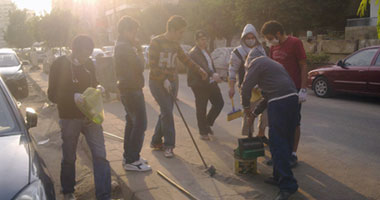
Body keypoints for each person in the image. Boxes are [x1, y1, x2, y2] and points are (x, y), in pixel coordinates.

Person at [47, 35, 111, 200]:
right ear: (74, 50)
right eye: (83, 54)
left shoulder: (89, 64)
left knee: (100, 155)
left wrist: (98, 88)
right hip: (69, 117)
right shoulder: (59, 65)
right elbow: (52, 95)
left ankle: (104, 195)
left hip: (90, 116)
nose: (85, 58)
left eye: (88, 54)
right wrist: (72, 97)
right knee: (69, 155)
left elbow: (93, 83)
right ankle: (68, 191)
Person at [241, 48, 299, 200]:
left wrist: (246, 107)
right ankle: (278, 176)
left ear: (249, 59)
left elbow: (245, 87)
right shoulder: (273, 65)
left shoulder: (255, 62)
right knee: (285, 140)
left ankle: (288, 185)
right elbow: (266, 97)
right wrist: (254, 113)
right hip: (293, 99)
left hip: (279, 102)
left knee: (277, 143)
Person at [148, 15, 208, 158]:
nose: (182, 35)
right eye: (180, 32)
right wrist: (163, 79)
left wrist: (199, 69)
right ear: (173, 30)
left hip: (173, 82)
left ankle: (156, 141)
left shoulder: (175, 44)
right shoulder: (156, 42)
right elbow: (152, 65)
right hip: (157, 82)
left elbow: (185, 59)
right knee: (168, 112)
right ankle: (169, 146)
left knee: (165, 111)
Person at [261, 20, 308, 167]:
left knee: (294, 123)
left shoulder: (295, 43)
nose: (269, 41)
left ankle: (292, 154)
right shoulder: (273, 48)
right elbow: (270, 68)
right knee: (277, 124)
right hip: (276, 93)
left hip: (293, 91)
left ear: (278, 33)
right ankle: (280, 155)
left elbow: (303, 65)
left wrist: (303, 88)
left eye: (269, 37)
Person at [114, 16, 151, 172]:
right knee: (140, 123)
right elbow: (140, 66)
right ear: (124, 31)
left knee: (131, 122)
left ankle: (128, 155)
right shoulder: (125, 47)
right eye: (133, 31)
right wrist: (139, 51)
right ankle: (132, 159)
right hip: (132, 89)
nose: (135, 34)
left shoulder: (121, 45)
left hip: (127, 88)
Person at [228, 24, 268, 142]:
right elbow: (232, 71)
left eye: (252, 37)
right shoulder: (237, 53)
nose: (250, 40)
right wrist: (231, 87)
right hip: (247, 88)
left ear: (256, 37)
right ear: (243, 38)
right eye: (247, 38)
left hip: (261, 88)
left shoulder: (261, 50)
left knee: (265, 111)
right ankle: (249, 135)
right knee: (248, 112)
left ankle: (261, 133)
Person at [187, 30, 224, 141]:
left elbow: (210, 65)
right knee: (201, 107)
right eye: (202, 39)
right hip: (199, 84)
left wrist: (215, 75)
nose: (204, 41)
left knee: (219, 103)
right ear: (196, 41)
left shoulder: (206, 51)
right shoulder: (194, 52)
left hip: (210, 82)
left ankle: (207, 123)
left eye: (205, 39)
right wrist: (213, 74)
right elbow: (202, 65)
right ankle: (203, 132)